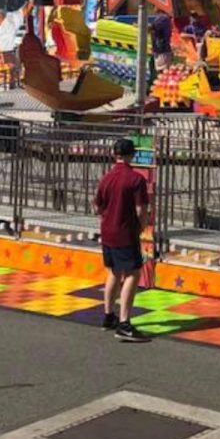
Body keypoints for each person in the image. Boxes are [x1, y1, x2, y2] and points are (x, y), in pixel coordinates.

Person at [94, 138, 150, 343]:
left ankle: (108, 315)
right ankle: (125, 322)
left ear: (114, 154)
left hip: (107, 231)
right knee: (133, 273)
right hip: (125, 232)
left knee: (114, 272)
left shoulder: (106, 178)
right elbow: (141, 209)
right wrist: (141, 227)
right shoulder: (135, 179)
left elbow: (98, 207)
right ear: (132, 155)